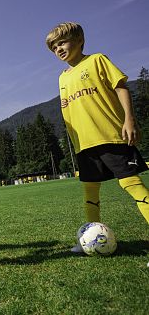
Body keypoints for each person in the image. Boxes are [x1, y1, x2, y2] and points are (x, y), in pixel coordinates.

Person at [45, 22, 149, 252]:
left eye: (62, 42)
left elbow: (121, 87)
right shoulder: (63, 77)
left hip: (110, 136)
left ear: (80, 39)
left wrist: (129, 119)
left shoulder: (97, 60)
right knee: (90, 193)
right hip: (84, 144)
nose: (58, 49)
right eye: (54, 47)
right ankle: (90, 240)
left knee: (132, 185)